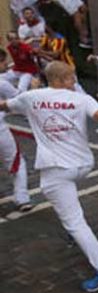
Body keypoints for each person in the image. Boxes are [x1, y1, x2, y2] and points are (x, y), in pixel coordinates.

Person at [0, 61, 98, 292]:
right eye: (71, 78)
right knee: (69, 206)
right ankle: (74, 232)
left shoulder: (31, 97)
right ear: (59, 79)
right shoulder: (82, 99)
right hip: (83, 165)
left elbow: (4, 106)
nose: (74, 82)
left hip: (57, 170)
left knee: (75, 221)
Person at [0, 50, 30, 211]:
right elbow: (18, 101)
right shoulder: (2, 83)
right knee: (16, 162)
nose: (6, 64)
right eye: (4, 62)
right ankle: (22, 198)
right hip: (0, 131)